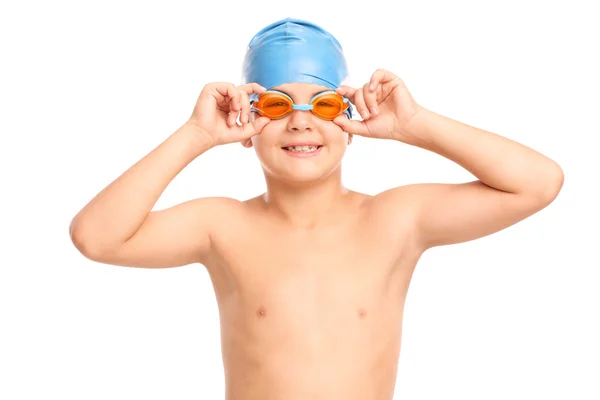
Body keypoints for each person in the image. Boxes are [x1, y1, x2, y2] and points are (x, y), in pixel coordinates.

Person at [69, 17, 564, 400]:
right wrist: (195, 135)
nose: (302, 124)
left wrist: (414, 124)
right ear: (246, 125)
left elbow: (538, 183)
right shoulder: (221, 226)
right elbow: (97, 236)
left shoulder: (395, 219)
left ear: (350, 123)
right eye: (278, 107)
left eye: (323, 106)